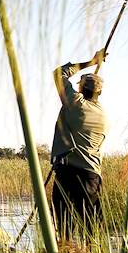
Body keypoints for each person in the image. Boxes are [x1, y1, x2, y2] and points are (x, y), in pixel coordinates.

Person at [51, 50, 108, 237]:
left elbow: (59, 73)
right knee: (91, 232)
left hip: (69, 173)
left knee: (66, 232)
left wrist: (91, 62)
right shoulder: (102, 115)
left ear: (81, 89)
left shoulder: (75, 103)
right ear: (99, 92)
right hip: (92, 176)